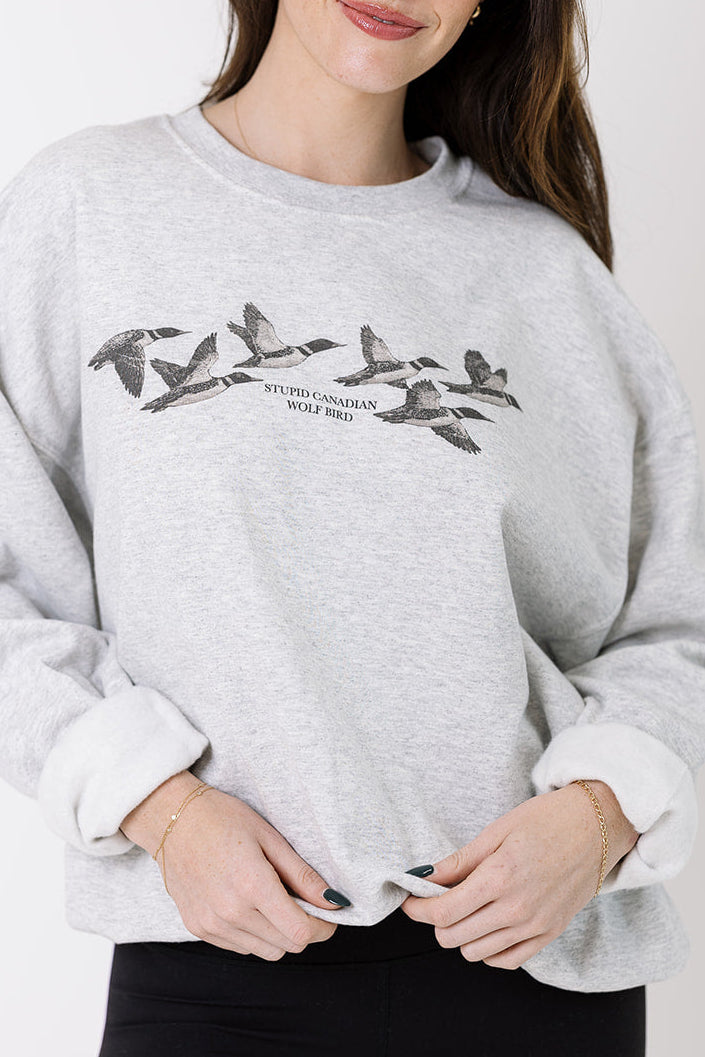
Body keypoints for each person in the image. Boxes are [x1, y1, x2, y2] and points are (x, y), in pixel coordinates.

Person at [1, 0, 704, 1054]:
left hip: (532, 964)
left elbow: (675, 617)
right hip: (216, 965)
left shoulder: (544, 272)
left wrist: (601, 812)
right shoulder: (88, 205)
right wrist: (159, 806)